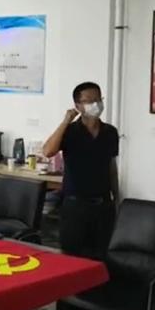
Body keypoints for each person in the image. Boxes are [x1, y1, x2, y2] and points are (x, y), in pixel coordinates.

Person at [41, 81, 120, 260]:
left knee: (101, 258)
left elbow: (111, 166)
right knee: (72, 258)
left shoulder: (110, 132)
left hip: (103, 206)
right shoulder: (69, 131)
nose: (96, 104)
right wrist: (66, 121)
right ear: (78, 106)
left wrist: (116, 197)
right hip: (75, 206)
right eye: (89, 100)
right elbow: (48, 151)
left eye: (98, 99)